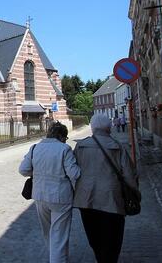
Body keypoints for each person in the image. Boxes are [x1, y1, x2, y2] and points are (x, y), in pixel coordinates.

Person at [73, 113, 139, 263]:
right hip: (112, 199)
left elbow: (72, 171)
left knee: (94, 237)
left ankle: (101, 258)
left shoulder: (81, 146)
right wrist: (135, 193)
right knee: (113, 239)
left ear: (92, 127)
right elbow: (129, 175)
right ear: (109, 128)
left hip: (86, 199)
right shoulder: (117, 146)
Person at [19, 122, 80, 263]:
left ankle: (56, 256)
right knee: (60, 233)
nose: (66, 140)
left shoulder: (35, 148)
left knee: (48, 231)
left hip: (39, 196)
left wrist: (38, 173)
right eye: (65, 137)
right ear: (60, 136)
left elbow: (23, 170)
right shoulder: (64, 149)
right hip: (61, 197)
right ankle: (58, 259)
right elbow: (74, 174)